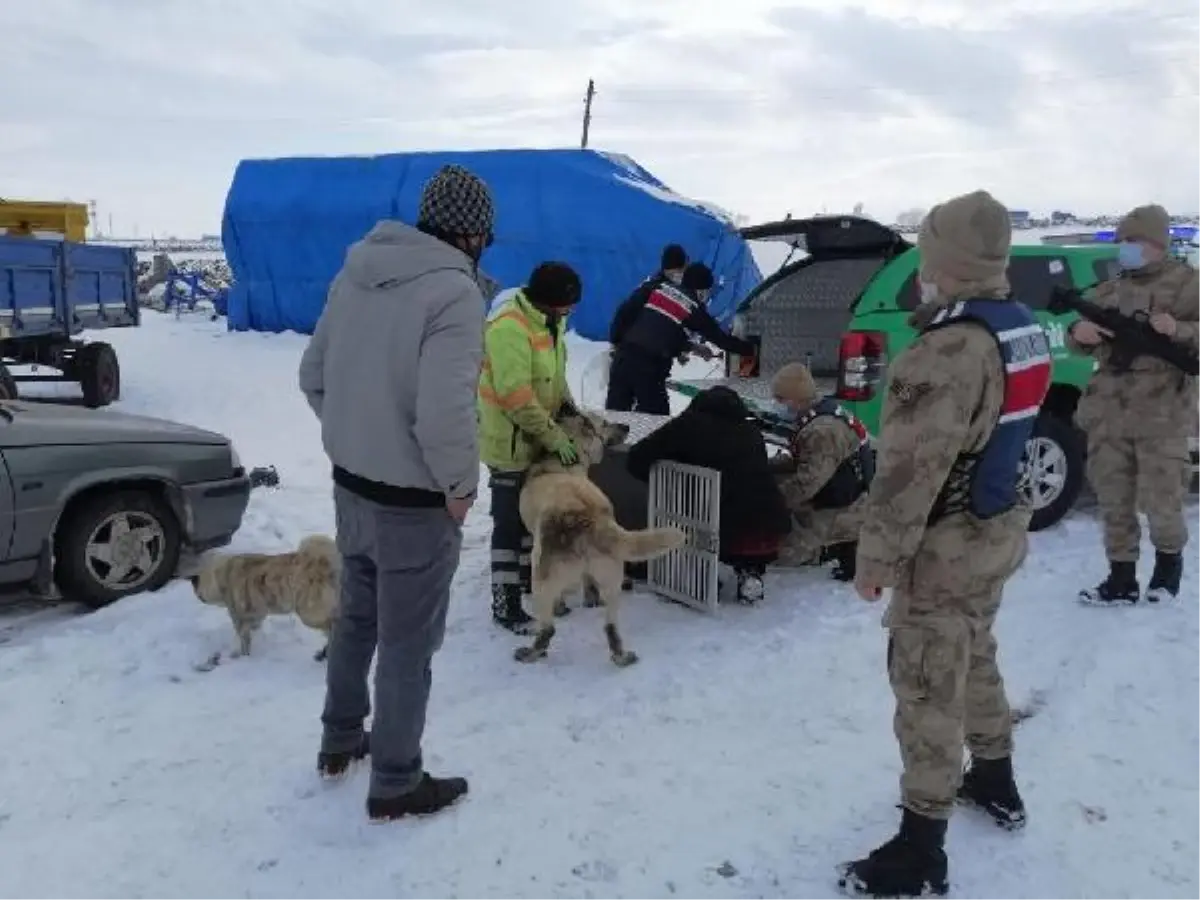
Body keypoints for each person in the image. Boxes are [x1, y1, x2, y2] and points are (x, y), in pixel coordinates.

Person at [838, 190, 1052, 897]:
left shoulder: (948, 349)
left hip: (947, 542)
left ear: (948, 264)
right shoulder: (1018, 325)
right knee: (977, 647)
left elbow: (907, 474)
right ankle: (993, 776)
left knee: (928, 678)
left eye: (926, 258)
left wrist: (876, 562)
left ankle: (920, 847)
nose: (920, 272)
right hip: (996, 529)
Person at [297, 163, 494, 821]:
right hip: (415, 502)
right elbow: (444, 415)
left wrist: (355, 442)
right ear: (473, 233)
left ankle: (340, 739)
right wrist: (461, 487)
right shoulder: (455, 294)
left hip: (351, 485)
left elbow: (313, 375)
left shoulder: (356, 270)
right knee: (409, 644)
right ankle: (397, 782)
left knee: (357, 619)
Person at [1068, 204, 1200, 605]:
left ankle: (1167, 570)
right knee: (1113, 498)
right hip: (1109, 411)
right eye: (1122, 241)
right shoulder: (1111, 288)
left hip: (1161, 411)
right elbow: (1074, 337)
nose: (1126, 248)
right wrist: (1081, 332)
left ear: (1157, 244)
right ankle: (1121, 577)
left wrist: (1178, 329)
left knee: (1162, 496)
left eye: (1134, 241)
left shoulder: (1188, 285)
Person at [478, 261, 584, 633]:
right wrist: (555, 436)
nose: (570, 312)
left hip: (538, 434)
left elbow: (554, 375)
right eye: (567, 305)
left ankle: (528, 581)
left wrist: (569, 406)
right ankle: (505, 602)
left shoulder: (550, 321)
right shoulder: (508, 327)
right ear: (549, 302)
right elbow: (516, 397)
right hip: (508, 442)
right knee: (508, 522)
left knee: (531, 519)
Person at [625, 386, 791, 603]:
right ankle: (749, 572)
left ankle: (700, 577)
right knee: (737, 509)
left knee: (700, 520)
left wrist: (669, 479)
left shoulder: (688, 425)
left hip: (721, 531)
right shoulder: (751, 431)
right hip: (771, 528)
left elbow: (636, 458)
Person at [766, 362, 873, 581]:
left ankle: (834, 547)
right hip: (836, 486)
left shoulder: (822, 431)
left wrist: (769, 503)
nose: (777, 405)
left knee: (778, 554)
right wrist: (767, 467)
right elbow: (805, 460)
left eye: (780, 399)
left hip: (845, 505)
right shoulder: (819, 411)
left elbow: (807, 483)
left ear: (796, 399)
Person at [606, 262, 756, 414]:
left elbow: (655, 326)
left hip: (622, 359)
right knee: (655, 421)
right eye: (707, 291)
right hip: (648, 368)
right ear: (701, 291)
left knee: (613, 419)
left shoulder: (658, 288)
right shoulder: (693, 308)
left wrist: (691, 347)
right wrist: (751, 349)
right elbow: (722, 340)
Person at [607, 243, 688, 350]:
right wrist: (616, 341)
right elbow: (624, 313)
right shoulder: (651, 290)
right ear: (665, 270)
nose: (678, 275)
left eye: (680, 271)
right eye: (674, 272)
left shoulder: (680, 290)